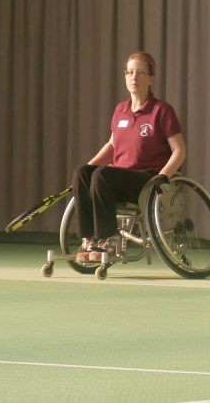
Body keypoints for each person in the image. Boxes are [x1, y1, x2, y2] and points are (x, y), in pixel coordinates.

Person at [72, 51, 186, 262]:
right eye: (130, 72)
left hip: (146, 179)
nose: (134, 77)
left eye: (141, 73)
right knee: (83, 172)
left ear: (151, 78)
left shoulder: (161, 111)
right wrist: (87, 169)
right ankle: (89, 239)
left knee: (101, 176)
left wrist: (163, 176)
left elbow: (180, 151)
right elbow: (112, 145)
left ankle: (110, 239)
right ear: (125, 76)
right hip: (117, 178)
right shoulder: (120, 110)